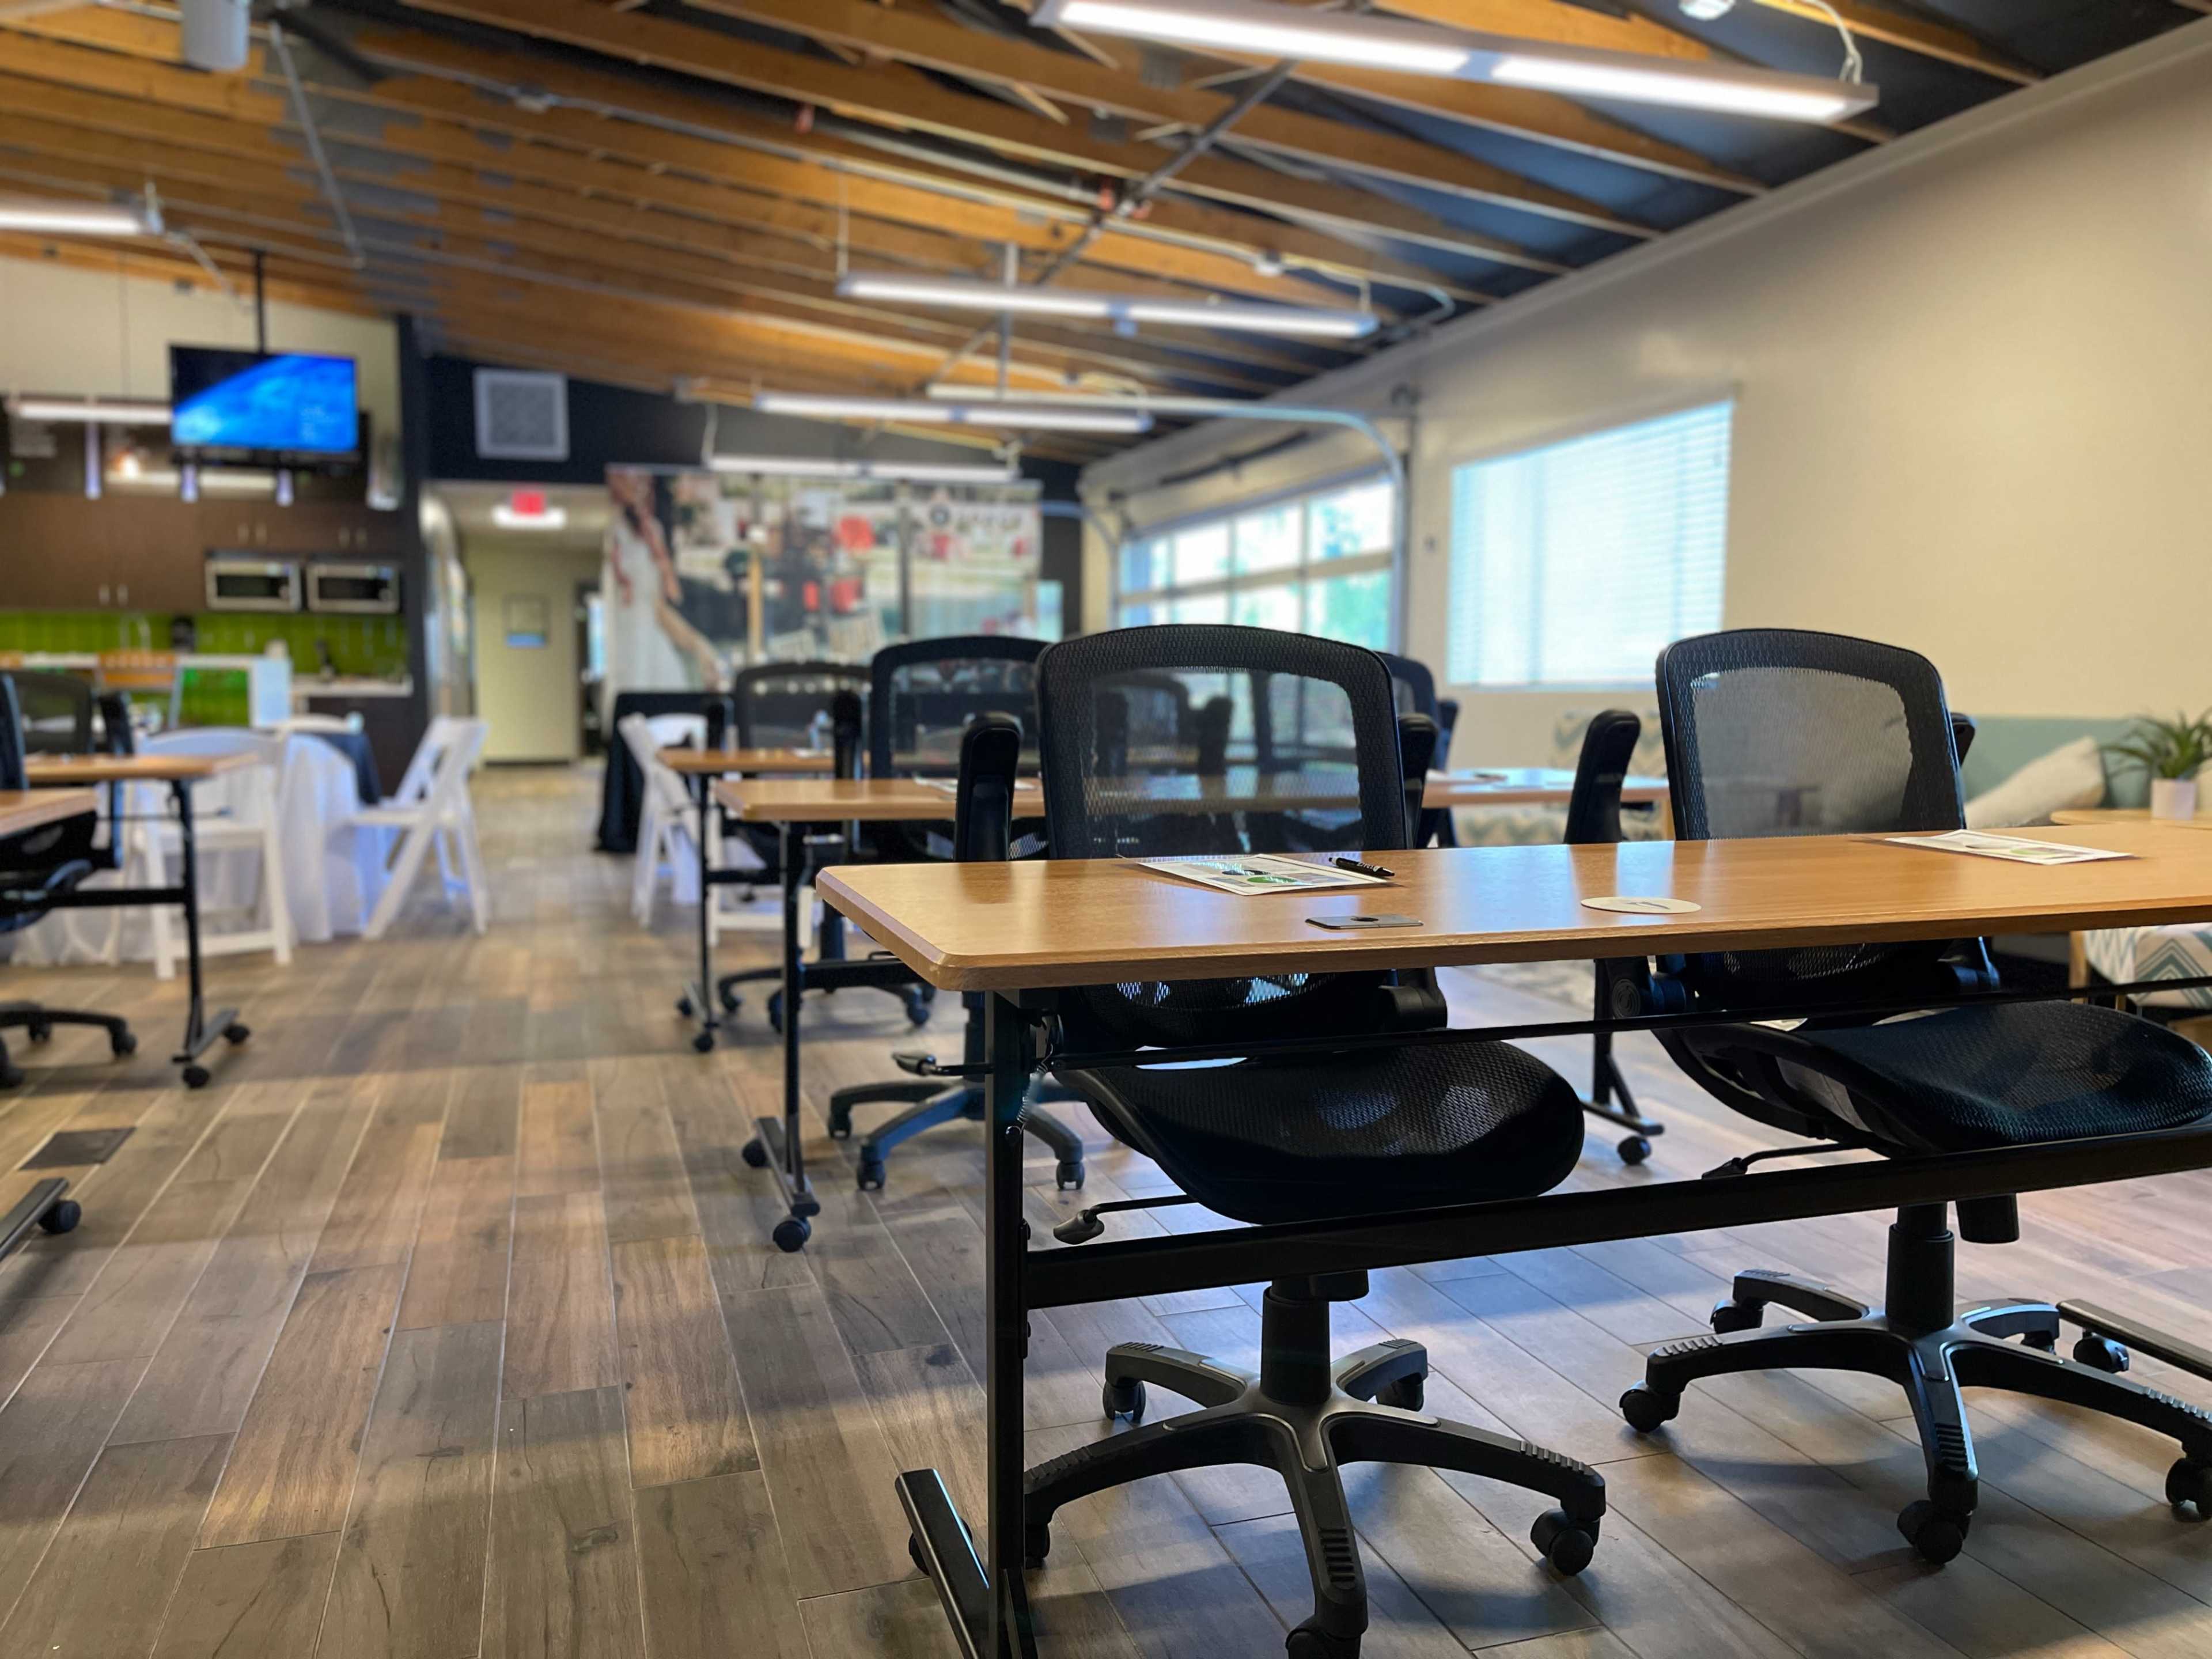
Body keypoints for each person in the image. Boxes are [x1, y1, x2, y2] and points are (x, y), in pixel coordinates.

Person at [604, 469, 726, 693]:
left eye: (645, 479)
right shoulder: (610, 527)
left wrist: (699, 646)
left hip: (649, 648)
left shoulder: (652, 533)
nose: (639, 484)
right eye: (630, 475)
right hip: (620, 644)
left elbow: (658, 609)